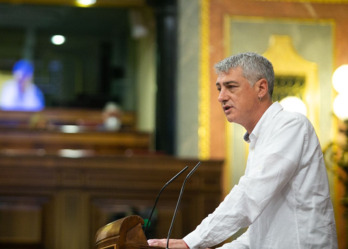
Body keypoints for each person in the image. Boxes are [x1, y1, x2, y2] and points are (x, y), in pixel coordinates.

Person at [147, 52, 338, 248]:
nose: (221, 97)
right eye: (219, 88)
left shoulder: (291, 125)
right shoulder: (260, 139)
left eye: (231, 87)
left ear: (261, 88)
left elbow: (249, 197)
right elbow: (256, 237)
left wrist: (191, 242)